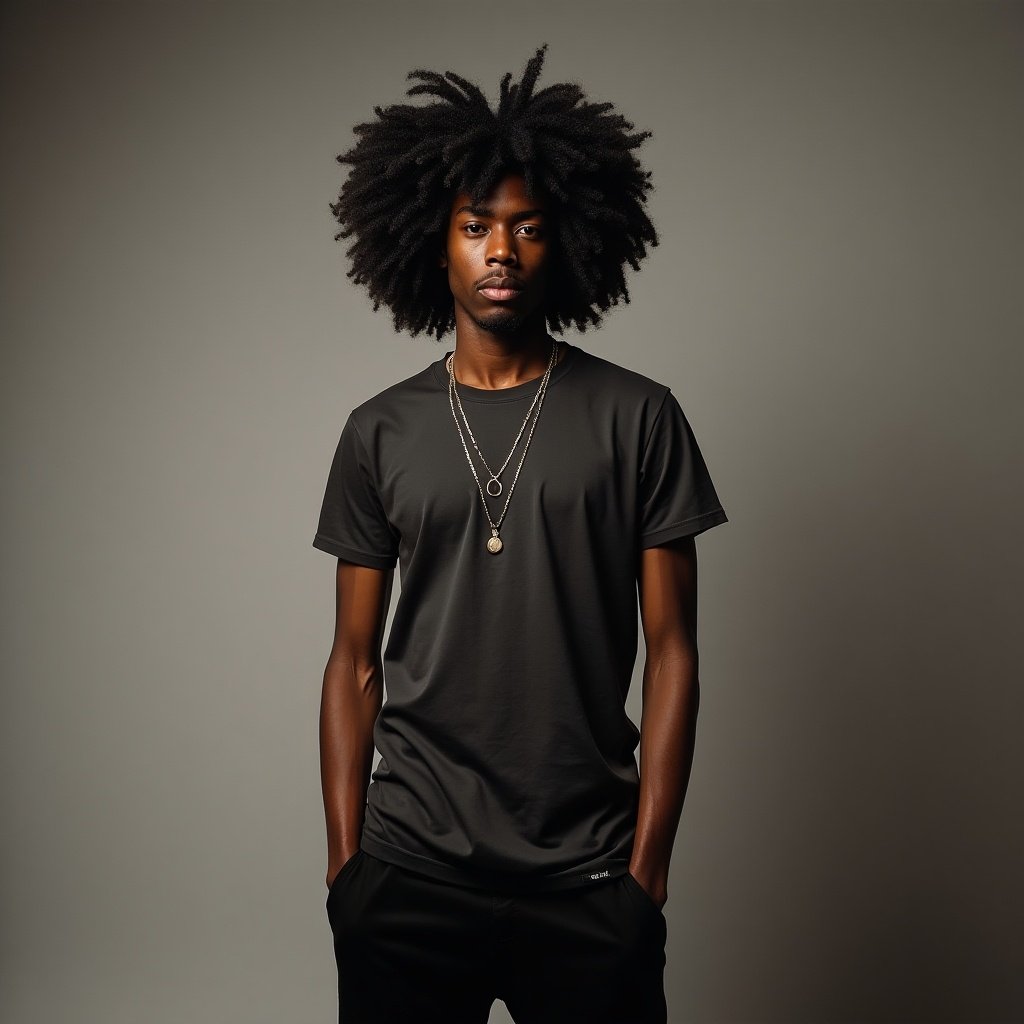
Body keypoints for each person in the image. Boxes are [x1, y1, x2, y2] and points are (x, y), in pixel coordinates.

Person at [312, 43, 728, 1024]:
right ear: (434, 240)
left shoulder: (639, 417)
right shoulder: (380, 430)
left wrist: (646, 879)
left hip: (587, 880)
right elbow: (352, 662)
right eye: (475, 226)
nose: (501, 250)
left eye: (528, 228)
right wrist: (345, 873)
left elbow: (673, 654)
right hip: (408, 871)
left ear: (568, 241)